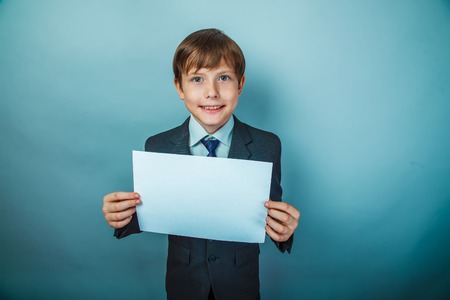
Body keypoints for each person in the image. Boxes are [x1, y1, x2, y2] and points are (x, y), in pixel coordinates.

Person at [102, 28, 300, 300]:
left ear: (240, 84)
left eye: (224, 78)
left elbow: (269, 213)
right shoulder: (158, 146)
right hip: (184, 286)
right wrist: (122, 218)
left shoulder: (267, 145)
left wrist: (284, 232)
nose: (212, 92)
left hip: (239, 286)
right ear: (179, 87)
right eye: (197, 79)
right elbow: (153, 208)